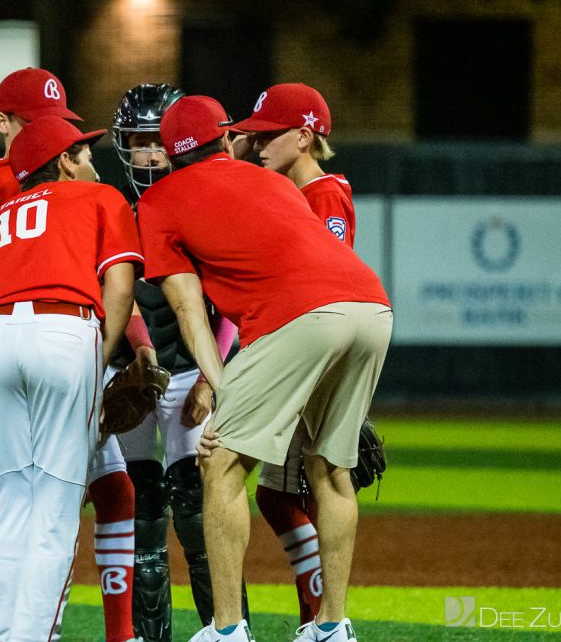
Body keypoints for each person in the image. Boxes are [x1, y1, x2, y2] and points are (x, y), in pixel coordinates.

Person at [137, 95, 392, 642]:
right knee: (331, 469)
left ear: (169, 152)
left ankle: (227, 630)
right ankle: (332, 627)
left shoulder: (158, 200)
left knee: (222, 465)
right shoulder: (278, 184)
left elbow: (187, 308)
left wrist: (222, 390)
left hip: (297, 316)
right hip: (373, 307)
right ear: (225, 139)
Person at [0, 68, 139, 642]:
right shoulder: (100, 196)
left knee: (8, 506)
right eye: (81, 151)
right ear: (62, 161)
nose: (89, 158)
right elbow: (119, 283)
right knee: (57, 508)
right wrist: (102, 357)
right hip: (65, 332)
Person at [109, 83, 247, 640]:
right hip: (131, 373)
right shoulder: (116, 208)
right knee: (142, 508)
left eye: (157, 141)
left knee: (196, 505)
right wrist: (137, 357)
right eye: (138, 143)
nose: (149, 154)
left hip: (192, 371)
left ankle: (227, 627)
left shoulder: (205, 202)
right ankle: (149, 636)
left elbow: (232, 299)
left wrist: (214, 378)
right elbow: (116, 294)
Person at [233, 82, 354, 626]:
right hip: (293, 354)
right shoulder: (288, 192)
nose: (258, 144)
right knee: (278, 497)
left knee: (306, 485)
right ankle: (316, 620)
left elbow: (326, 282)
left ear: (304, 136)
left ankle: (323, 620)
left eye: (269, 134)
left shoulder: (325, 193)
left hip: (307, 360)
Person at [0, 67, 82, 273]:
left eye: (57, 122)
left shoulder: (74, 170)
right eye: (36, 123)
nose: (48, 131)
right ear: (2, 123)